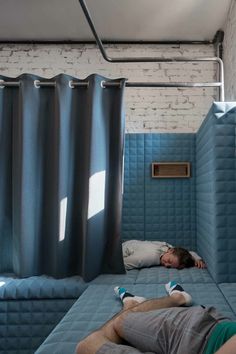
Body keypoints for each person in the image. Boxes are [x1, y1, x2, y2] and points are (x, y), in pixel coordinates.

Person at [76, 282, 236, 354]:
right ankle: (178, 298)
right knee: (117, 325)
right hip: (203, 332)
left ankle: (130, 302)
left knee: (88, 346)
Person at [122, 239, 206, 270]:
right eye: (169, 261)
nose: (166, 265)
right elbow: (122, 264)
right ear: (171, 251)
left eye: (169, 266)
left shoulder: (167, 248)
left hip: (130, 243)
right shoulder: (150, 257)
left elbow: (190, 253)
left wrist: (197, 259)